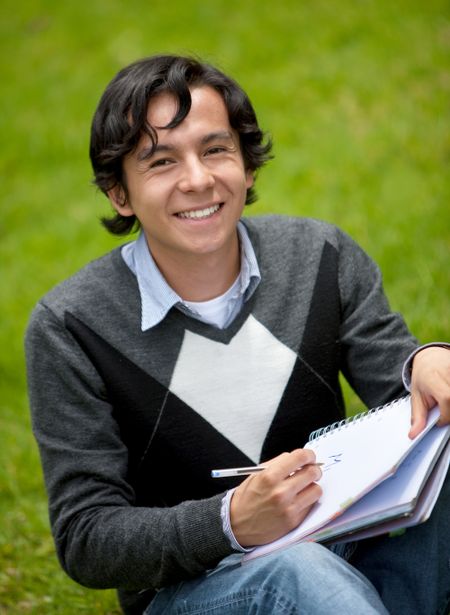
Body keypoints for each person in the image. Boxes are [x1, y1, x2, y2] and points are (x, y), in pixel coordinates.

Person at [25, 54, 450, 615]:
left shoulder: (319, 256)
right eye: (160, 161)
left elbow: (398, 381)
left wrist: (424, 361)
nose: (197, 179)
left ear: (247, 166)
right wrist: (230, 523)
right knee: (297, 572)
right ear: (119, 193)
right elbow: (87, 537)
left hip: (351, 543)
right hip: (200, 589)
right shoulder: (70, 326)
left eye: (215, 149)